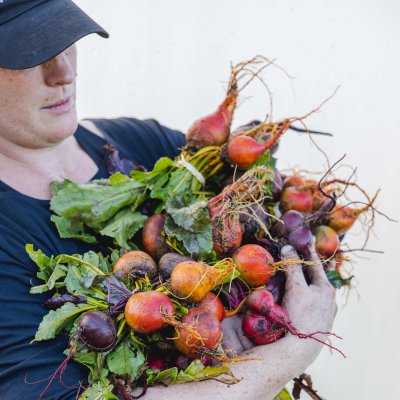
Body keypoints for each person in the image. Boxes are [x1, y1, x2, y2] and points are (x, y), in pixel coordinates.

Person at [0, 1, 337, 399]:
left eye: (66, 43)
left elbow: (295, 232)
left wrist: (280, 294)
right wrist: (296, 350)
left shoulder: (143, 142)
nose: (65, 73)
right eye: (31, 55)